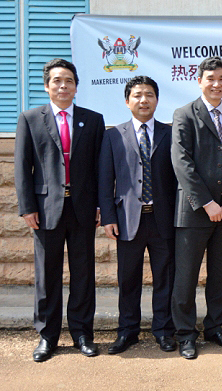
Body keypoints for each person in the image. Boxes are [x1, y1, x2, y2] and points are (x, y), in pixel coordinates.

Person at [14, 58, 105, 362]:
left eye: (68, 80)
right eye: (57, 80)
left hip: (82, 209)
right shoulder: (30, 118)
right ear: (47, 85)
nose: (63, 85)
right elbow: (22, 168)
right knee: (47, 274)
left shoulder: (92, 120)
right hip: (45, 209)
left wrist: (100, 205)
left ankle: (82, 333)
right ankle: (47, 336)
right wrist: (27, 207)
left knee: (83, 274)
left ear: (76, 87)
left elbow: (99, 169)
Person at [170, 56, 222, 359]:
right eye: (211, 78)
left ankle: (215, 328)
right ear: (199, 80)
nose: (216, 84)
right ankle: (186, 334)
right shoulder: (184, 114)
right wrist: (207, 202)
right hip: (194, 212)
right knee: (186, 276)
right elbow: (182, 162)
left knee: (221, 274)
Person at [98, 76, 177, 354]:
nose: (144, 100)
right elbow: (105, 180)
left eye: (149, 95)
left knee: (165, 278)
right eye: (137, 95)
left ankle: (164, 331)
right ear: (127, 100)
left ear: (157, 100)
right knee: (128, 278)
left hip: (163, 218)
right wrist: (108, 216)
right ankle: (127, 331)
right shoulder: (113, 135)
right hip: (127, 219)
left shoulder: (171, 134)